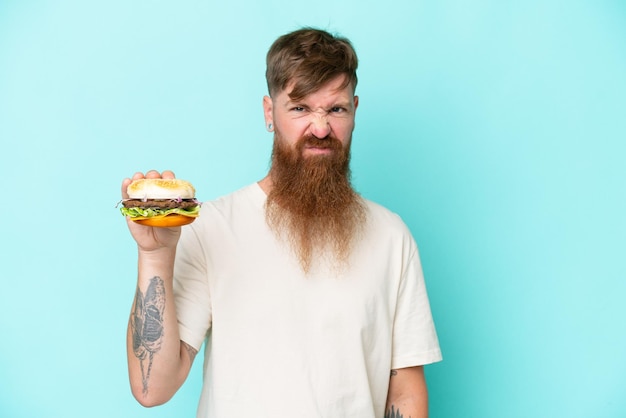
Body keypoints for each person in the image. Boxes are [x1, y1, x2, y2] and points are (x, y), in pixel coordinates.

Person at [122, 27, 442, 418]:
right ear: (269, 113)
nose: (321, 128)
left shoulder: (392, 237)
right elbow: (151, 389)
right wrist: (154, 256)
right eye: (300, 108)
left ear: (355, 110)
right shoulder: (212, 228)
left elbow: (405, 393)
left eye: (336, 109)